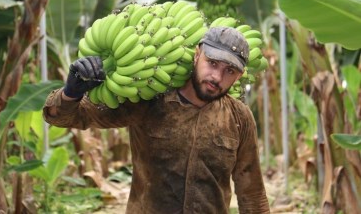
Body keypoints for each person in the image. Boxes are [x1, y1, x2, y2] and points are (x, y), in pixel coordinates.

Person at [43, 27, 270, 213]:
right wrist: (70, 93)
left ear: (239, 75)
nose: (217, 77)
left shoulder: (239, 117)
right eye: (212, 63)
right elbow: (71, 117)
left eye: (229, 71)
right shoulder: (149, 99)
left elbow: (252, 193)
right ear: (197, 54)